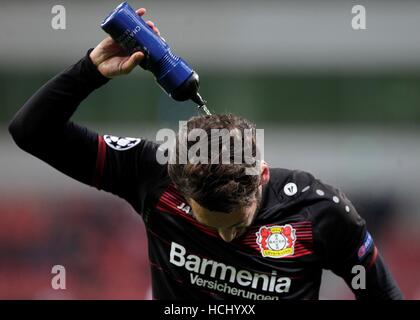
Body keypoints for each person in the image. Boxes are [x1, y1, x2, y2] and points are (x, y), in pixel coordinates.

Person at [8, 8, 402, 300]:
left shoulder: (323, 211)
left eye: (236, 224)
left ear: (261, 175)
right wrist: (90, 70)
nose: (227, 237)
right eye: (212, 225)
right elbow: (31, 132)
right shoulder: (153, 174)